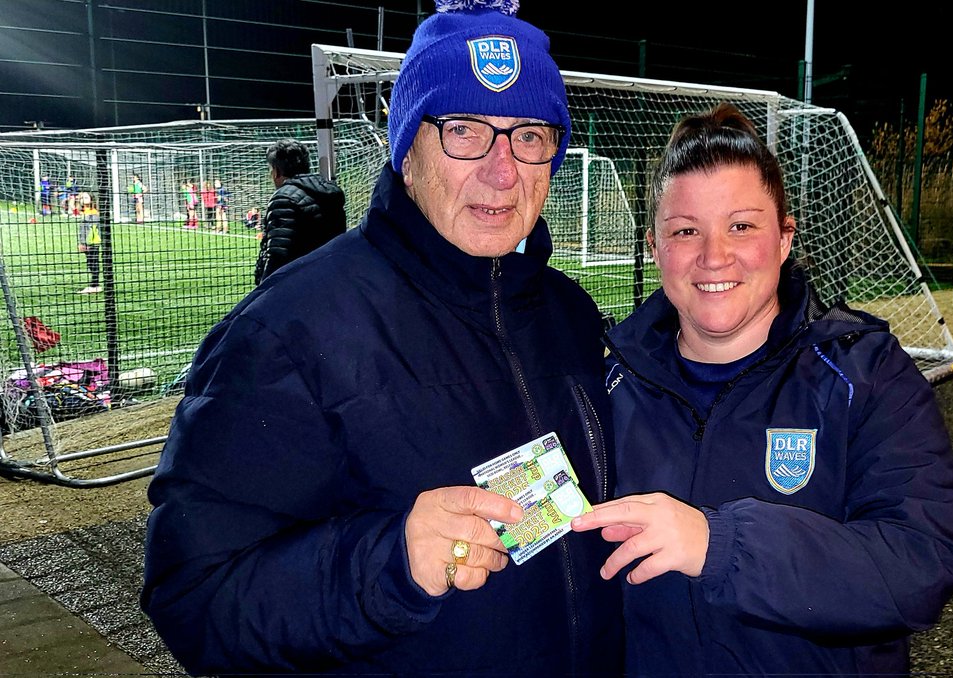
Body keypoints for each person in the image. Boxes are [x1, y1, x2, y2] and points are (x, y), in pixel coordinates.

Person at [140, 1, 622, 675]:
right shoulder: (288, 331)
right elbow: (195, 598)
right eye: (464, 130)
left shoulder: (568, 314)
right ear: (407, 152)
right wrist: (389, 563)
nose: (502, 168)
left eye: (530, 135)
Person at [571, 103, 953, 675]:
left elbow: (921, 565)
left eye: (742, 226)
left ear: (784, 238)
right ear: (654, 248)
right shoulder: (607, 385)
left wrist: (720, 545)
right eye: (686, 231)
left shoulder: (866, 375)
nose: (714, 256)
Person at [252, 138, 346, 284]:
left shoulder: (283, 198)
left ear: (276, 171)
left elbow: (278, 253)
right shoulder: (331, 193)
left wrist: (263, 290)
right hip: (330, 278)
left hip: (296, 283)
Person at [76, 192, 101, 294]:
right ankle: (95, 284)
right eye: (82, 198)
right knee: (91, 262)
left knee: (93, 262)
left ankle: (95, 285)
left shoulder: (92, 212)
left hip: (91, 242)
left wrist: (83, 243)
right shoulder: (85, 211)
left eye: (86, 197)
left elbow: (89, 229)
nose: (83, 199)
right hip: (89, 241)